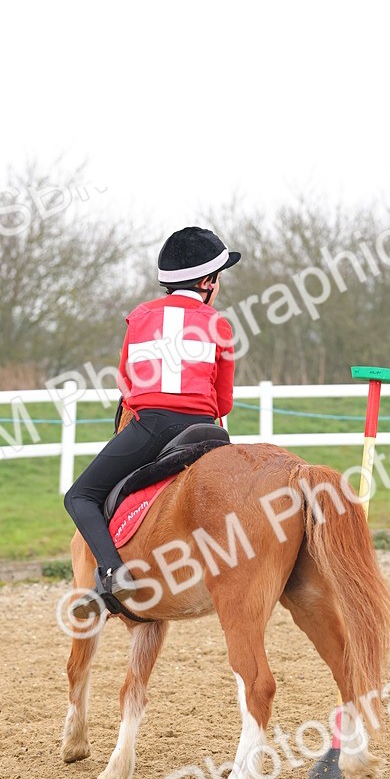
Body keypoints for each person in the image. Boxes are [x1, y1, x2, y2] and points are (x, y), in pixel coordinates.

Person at [64, 226, 240, 618]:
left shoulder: (140, 318)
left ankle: (111, 573)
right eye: (220, 276)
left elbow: (127, 382)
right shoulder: (219, 324)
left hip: (153, 428)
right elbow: (224, 400)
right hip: (207, 431)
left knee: (79, 496)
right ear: (208, 281)